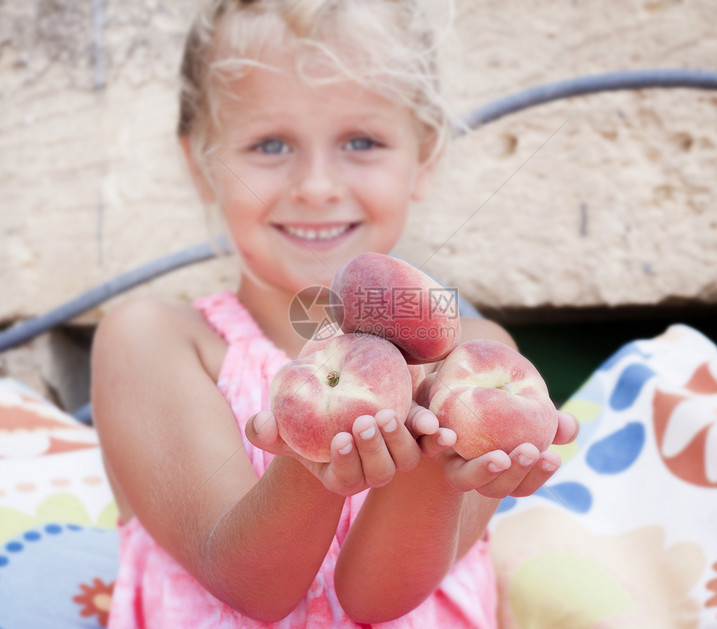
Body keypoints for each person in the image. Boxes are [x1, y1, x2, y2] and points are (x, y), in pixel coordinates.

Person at [91, 0, 579, 626]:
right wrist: (311, 458)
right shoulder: (154, 341)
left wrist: (441, 454)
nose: (316, 185)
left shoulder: (471, 359)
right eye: (270, 144)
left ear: (424, 159)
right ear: (202, 164)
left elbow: (376, 601)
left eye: (361, 141)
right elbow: (249, 587)